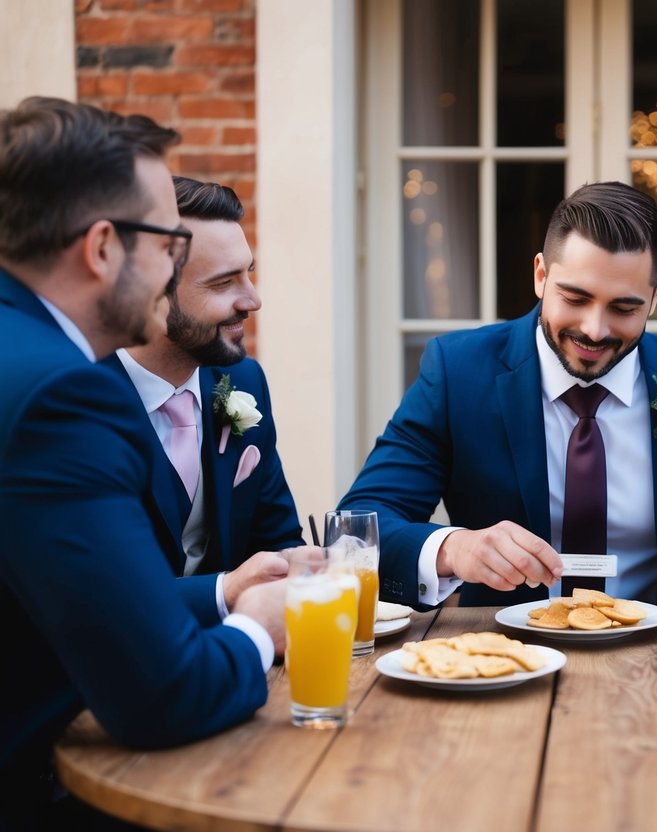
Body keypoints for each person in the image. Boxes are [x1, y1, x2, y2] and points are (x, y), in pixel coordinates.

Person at [0, 97, 291, 830]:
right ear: (101, 248)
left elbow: (50, 602)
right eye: (167, 243)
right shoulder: (59, 394)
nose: (171, 269)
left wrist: (221, 595)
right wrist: (258, 627)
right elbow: (161, 697)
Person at [339, 180, 657, 608]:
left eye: (624, 308)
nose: (595, 329)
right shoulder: (459, 372)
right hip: (505, 654)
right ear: (540, 276)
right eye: (575, 298)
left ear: (655, 294)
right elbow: (355, 531)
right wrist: (453, 547)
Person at [102, 176, 304, 620]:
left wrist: (303, 569)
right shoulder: (77, 402)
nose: (252, 299)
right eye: (224, 283)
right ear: (150, 293)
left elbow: (278, 540)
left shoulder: (244, 381)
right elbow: (91, 599)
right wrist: (225, 591)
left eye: (248, 272)